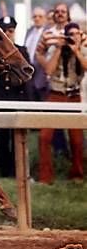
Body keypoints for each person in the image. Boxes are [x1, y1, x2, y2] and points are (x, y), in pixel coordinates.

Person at [37, 22, 87, 184]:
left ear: (80, 35)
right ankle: (45, 177)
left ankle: (77, 175)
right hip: (55, 95)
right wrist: (59, 48)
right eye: (69, 35)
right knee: (44, 137)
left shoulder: (83, 50)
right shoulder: (55, 49)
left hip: (73, 97)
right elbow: (49, 70)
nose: (72, 37)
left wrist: (76, 50)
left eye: (75, 34)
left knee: (77, 139)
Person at [0, 16, 30, 178]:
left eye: (11, 31)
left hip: (17, 99)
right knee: (2, 139)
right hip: (0, 100)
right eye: (4, 31)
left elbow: (27, 78)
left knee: (19, 139)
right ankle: (4, 171)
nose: (8, 34)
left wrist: (26, 103)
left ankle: (19, 171)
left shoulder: (22, 51)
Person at [24, 7, 48, 101]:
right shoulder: (29, 31)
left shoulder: (48, 32)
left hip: (42, 76)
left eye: (40, 16)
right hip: (29, 75)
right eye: (35, 16)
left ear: (45, 18)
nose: (37, 19)